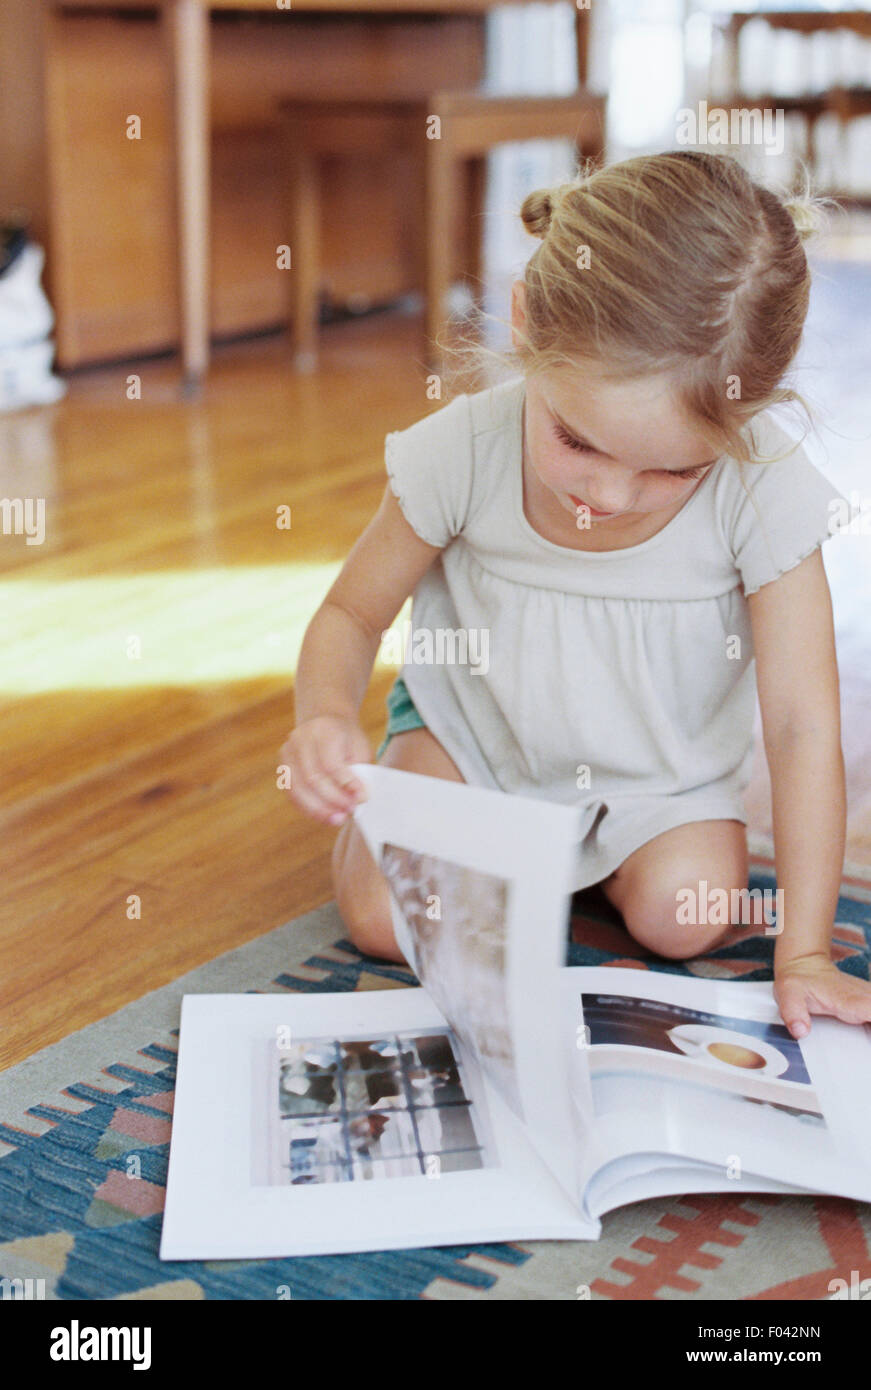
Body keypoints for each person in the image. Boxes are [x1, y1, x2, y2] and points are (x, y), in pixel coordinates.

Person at [280, 150, 871, 1041]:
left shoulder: (763, 488)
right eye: (576, 440)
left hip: (654, 780)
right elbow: (350, 613)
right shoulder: (463, 449)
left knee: (690, 917)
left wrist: (805, 954)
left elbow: (800, 725)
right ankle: (519, 849)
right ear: (524, 324)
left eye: (673, 469)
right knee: (379, 921)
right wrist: (324, 714)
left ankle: (582, 860)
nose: (612, 495)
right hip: (473, 740)